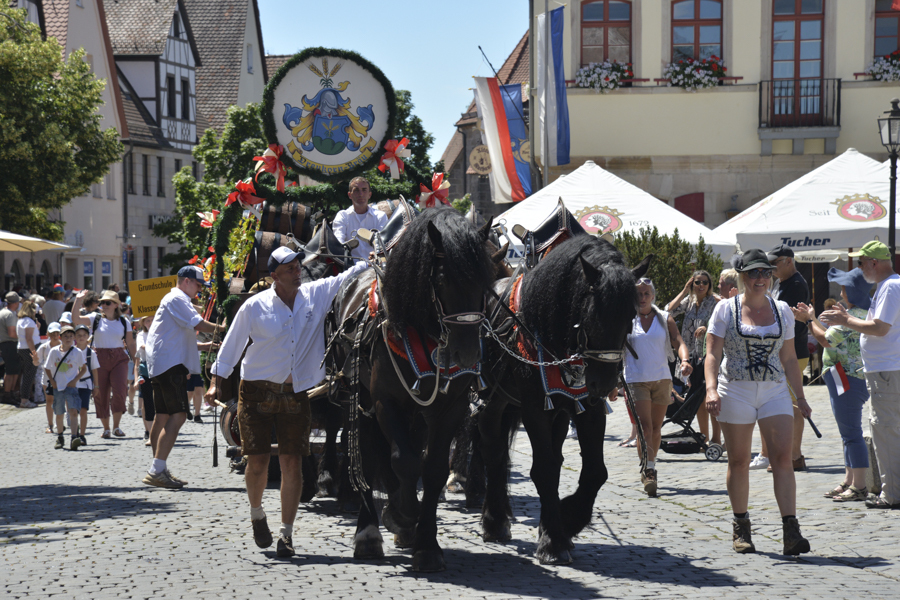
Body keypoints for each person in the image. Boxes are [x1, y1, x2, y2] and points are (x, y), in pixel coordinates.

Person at [207, 246, 368, 557]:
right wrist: (216, 383)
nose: (297, 273)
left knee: (293, 461)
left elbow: (348, 275)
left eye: (297, 266)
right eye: (290, 270)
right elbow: (232, 345)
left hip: (296, 394)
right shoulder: (254, 307)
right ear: (274, 277)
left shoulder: (315, 294)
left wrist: (373, 256)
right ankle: (257, 515)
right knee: (258, 462)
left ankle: (287, 535)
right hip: (255, 392)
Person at [705, 249, 811, 555]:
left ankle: (791, 530)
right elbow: (712, 353)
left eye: (765, 272)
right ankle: (741, 525)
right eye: (753, 273)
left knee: (782, 457)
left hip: (774, 389)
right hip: (735, 388)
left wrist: (800, 397)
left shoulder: (783, 311)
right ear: (741, 275)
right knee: (738, 460)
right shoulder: (725, 310)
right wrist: (711, 389)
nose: (760, 279)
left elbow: (789, 358)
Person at [821, 241, 900, 509]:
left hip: (887, 371)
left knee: (886, 431)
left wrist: (845, 321)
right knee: (886, 430)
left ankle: (892, 494)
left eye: (860, 262)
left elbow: (879, 328)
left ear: (873, 262)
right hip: (886, 370)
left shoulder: (890, 286)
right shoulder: (888, 286)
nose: (858, 267)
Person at [143, 266, 225, 489]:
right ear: (186, 281)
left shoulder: (174, 299)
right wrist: (224, 327)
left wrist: (204, 345)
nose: (199, 291)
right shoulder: (177, 298)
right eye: (198, 285)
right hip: (170, 366)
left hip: (162, 364)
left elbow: (175, 337)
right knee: (178, 416)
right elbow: (198, 324)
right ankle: (156, 470)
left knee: (162, 417)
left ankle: (159, 469)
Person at [799, 267, 872, 503]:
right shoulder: (858, 312)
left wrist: (809, 320)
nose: (840, 296)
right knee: (847, 433)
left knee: (851, 434)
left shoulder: (854, 315)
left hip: (847, 380)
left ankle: (859, 485)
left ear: (852, 292)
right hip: (845, 379)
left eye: (843, 290)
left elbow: (826, 340)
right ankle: (850, 480)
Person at [623, 277, 692, 497]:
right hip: (636, 379)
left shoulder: (664, 318)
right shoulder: (626, 319)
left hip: (662, 378)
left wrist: (685, 360)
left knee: (656, 427)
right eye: (638, 294)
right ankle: (649, 470)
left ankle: (650, 464)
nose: (642, 298)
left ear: (653, 296)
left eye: (646, 293)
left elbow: (678, 341)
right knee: (645, 427)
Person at [758, 245, 810, 472]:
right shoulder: (783, 283)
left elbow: (785, 318)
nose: (772, 268)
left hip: (793, 352)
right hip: (784, 351)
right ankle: (789, 454)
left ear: (789, 261)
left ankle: (794, 455)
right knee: (786, 403)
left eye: (775, 262)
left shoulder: (796, 284)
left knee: (793, 404)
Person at [666, 270, 721, 447]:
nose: (701, 285)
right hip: (689, 357)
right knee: (697, 399)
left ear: (709, 285)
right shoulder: (688, 302)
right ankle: (703, 437)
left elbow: (723, 322)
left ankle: (717, 438)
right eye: (697, 282)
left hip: (708, 354)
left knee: (710, 398)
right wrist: (684, 291)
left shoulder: (715, 302)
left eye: (705, 282)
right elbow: (668, 311)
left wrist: (707, 328)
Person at [71, 290, 135, 438]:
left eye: (107, 302)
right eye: (102, 302)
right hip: (99, 357)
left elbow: (130, 343)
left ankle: (116, 427)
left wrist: (136, 359)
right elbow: (76, 319)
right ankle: (106, 428)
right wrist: (78, 300)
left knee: (120, 391)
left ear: (116, 305)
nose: (104, 305)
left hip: (119, 357)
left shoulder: (124, 321)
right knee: (101, 394)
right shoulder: (95, 318)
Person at [43, 325, 87, 451]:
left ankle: (74, 437)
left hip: (71, 387)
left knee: (73, 411)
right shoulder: (54, 351)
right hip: (58, 387)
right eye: (65, 336)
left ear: (74, 338)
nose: (68, 339)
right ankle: (60, 436)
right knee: (59, 412)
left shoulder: (77, 352)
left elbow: (84, 369)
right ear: (60, 337)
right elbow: (47, 367)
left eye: (71, 336)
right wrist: (52, 381)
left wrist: (74, 380)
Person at [332, 176, 387, 260]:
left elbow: (384, 243)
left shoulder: (380, 216)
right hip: (349, 267)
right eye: (356, 190)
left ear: (369, 194)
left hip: (374, 266)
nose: (361, 194)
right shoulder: (342, 216)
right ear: (350, 195)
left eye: (364, 190)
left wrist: (376, 254)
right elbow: (339, 244)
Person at [74, 324, 100, 447]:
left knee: (83, 410)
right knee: (73, 411)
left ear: (88, 337)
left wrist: (97, 386)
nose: (81, 337)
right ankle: (75, 434)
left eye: (84, 335)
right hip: (72, 384)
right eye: (78, 335)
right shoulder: (71, 351)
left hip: (86, 384)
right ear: (74, 337)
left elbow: (95, 370)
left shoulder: (91, 353)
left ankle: (82, 435)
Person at [34, 322, 61, 433]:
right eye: (52, 333)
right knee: (49, 400)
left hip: (62, 377)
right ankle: (50, 424)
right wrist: (35, 359)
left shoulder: (65, 346)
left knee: (62, 400)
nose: (54, 335)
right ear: (48, 333)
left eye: (57, 333)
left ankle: (62, 422)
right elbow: (37, 363)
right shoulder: (44, 347)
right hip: (47, 378)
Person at [134, 315, 155, 446]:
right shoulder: (141, 335)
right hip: (147, 370)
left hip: (161, 369)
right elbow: (142, 347)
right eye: (148, 320)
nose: (151, 322)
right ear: (143, 323)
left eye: (153, 319)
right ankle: (151, 434)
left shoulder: (162, 332)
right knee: (148, 403)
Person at [16, 299, 41, 409]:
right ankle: (25, 400)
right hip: (29, 349)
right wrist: (34, 353)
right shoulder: (28, 321)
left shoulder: (21, 320)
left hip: (22, 348)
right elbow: (29, 338)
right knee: (29, 375)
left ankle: (25, 398)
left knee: (26, 375)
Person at [0, 292, 21, 405]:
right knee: (11, 370)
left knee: (12, 370)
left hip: (5, 344)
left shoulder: (3, 312)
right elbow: (12, 333)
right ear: (15, 302)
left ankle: (10, 393)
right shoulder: (10, 314)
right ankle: (8, 393)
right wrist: (23, 337)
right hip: (10, 344)